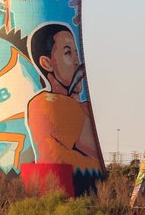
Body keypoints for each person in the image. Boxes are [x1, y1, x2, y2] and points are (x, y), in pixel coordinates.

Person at [27, 23, 101, 170]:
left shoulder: (81, 107)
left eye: (76, 54)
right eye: (68, 53)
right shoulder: (46, 104)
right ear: (47, 63)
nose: (77, 62)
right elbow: (54, 157)